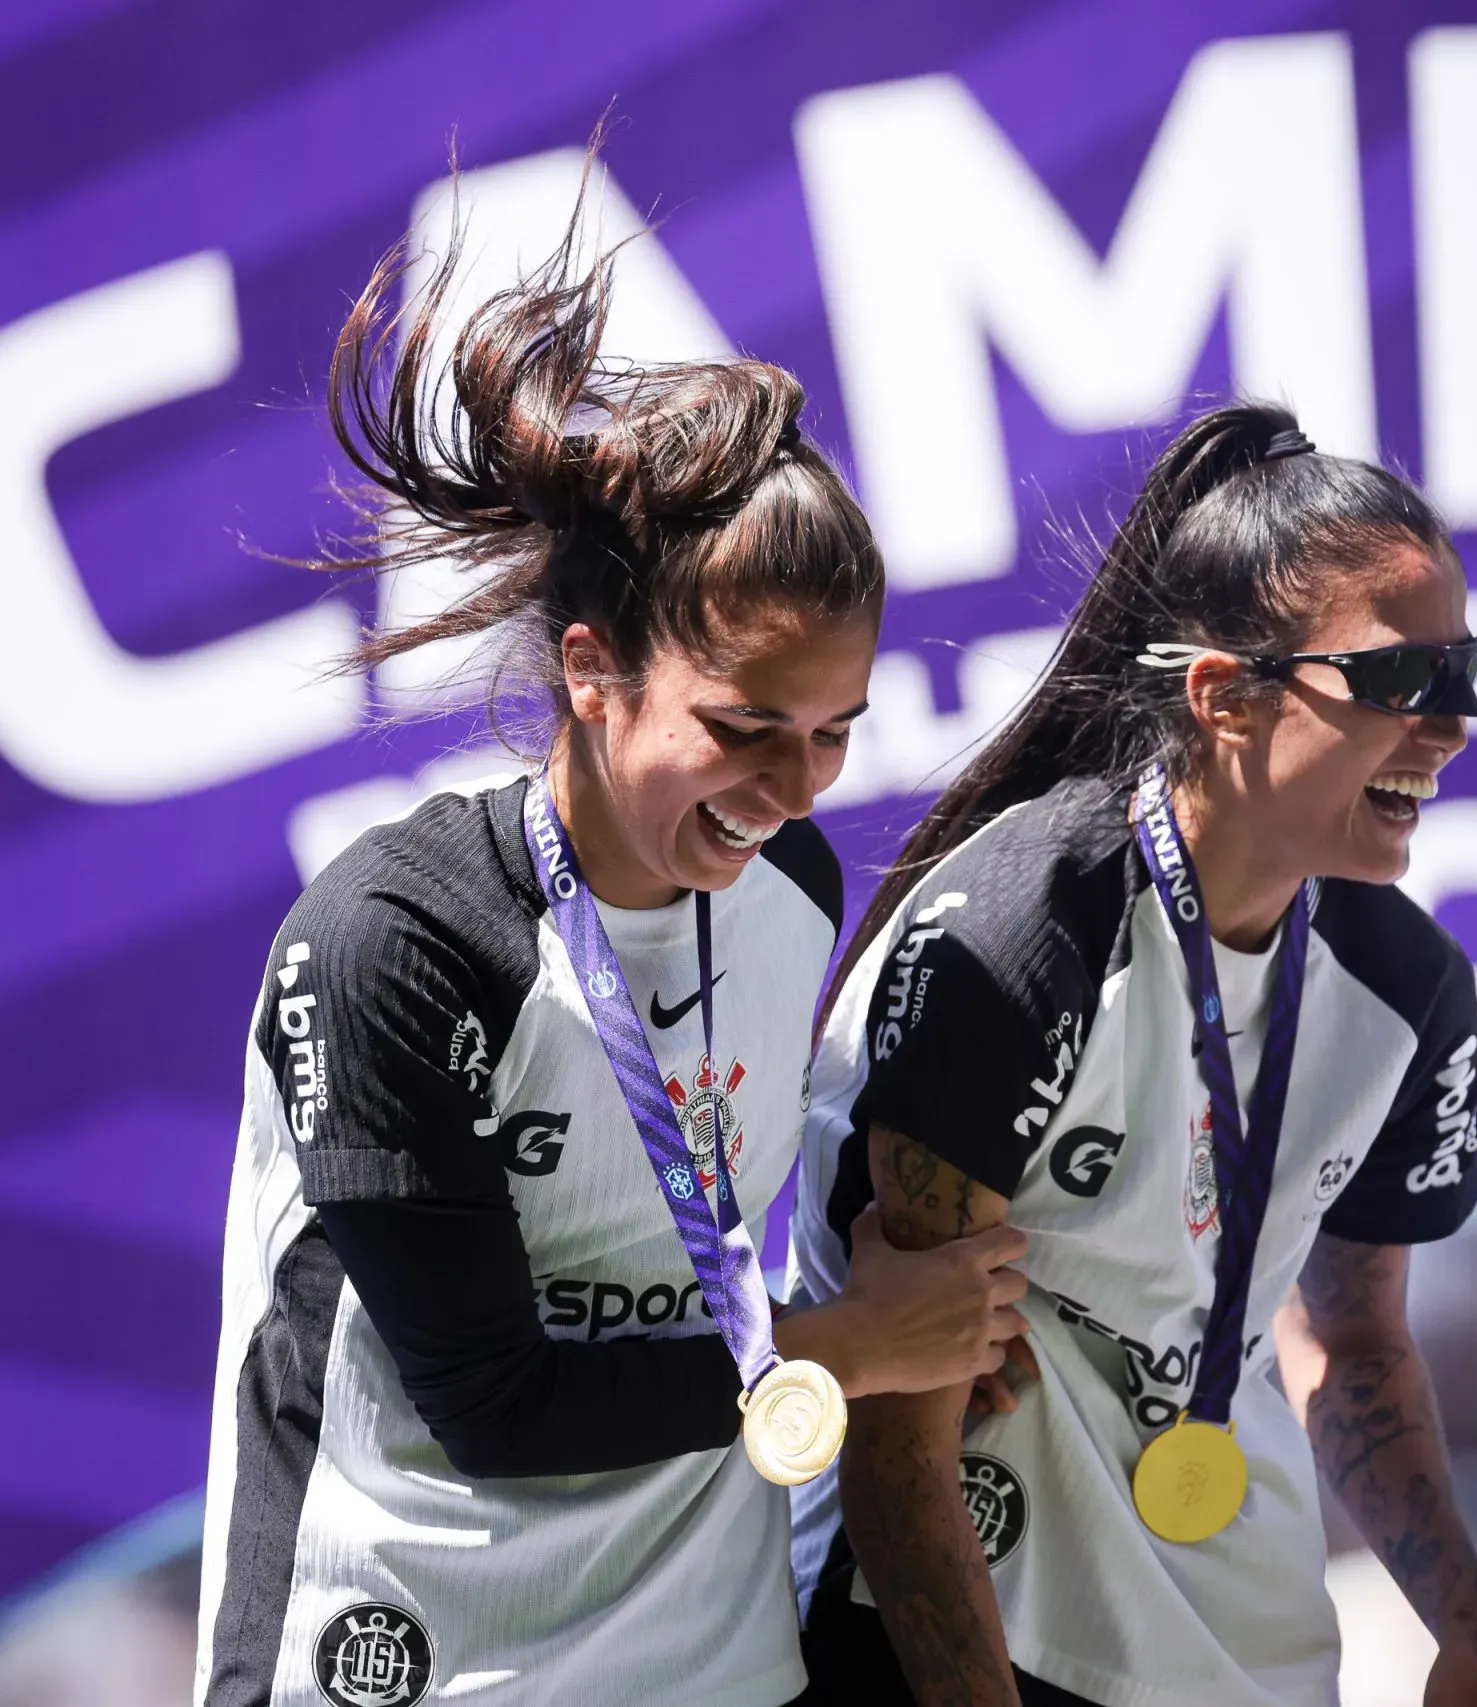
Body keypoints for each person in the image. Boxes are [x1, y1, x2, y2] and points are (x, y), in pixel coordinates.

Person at [195, 192, 1029, 1707]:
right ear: (594, 670)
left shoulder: (795, 882)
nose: (791, 786)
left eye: (835, 733)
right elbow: (493, 1399)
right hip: (404, 1654)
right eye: (741, 728)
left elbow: (727, 1277)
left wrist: (938, 1333)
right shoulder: (397, 937)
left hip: (714, 1661)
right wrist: (849, 1346)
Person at [788, 403, 1477, 1707]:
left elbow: (1351, 1345)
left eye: (1462, 673)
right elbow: (900, 1444)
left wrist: (1468, 1631)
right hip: (970, 1628)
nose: (1449, 726)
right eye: (1401, 681)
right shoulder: (1021, 934)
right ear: (1221, 694)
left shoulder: (1410, 985)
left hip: (1246, 1647)